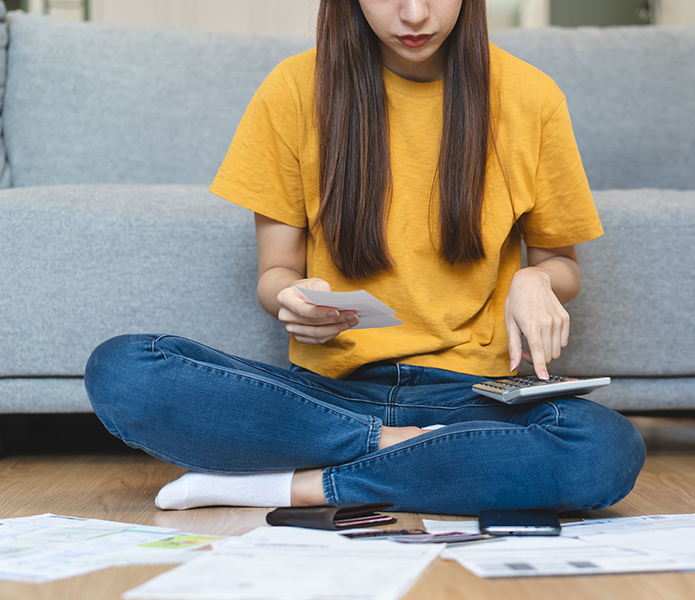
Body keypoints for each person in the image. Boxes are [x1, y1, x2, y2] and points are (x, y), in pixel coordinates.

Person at [85, 0, 645, 516]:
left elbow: (563, 266)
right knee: (124, 370)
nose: (415, 14)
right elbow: (275, 273)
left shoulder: (531, 97)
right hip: (327, 396)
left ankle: (293, 486)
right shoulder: (294, 89)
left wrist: (535, 277)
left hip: (469, 400)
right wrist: (291, 298)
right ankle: (403, 451)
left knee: (605, 448)